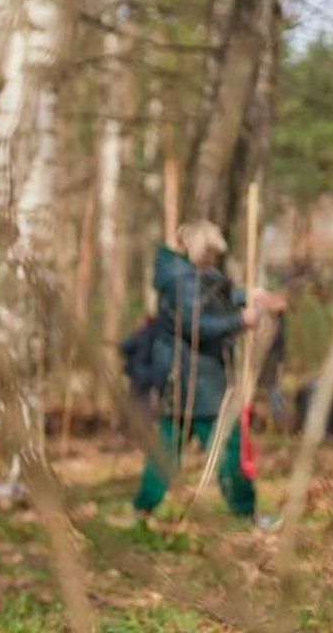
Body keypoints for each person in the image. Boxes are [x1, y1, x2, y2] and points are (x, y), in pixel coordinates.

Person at [131, 222, 281, 527]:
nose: (214, 258)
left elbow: (214, 296)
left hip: (191, 378)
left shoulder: (186, 276)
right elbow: (197, 324)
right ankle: (245, 510)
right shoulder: (181, 282)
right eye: (211, 252)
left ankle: (142, 509)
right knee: (228, 447)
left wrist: (247, 295)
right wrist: (241, 319)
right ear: (200, 250)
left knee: (167, 451)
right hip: (194, 382)